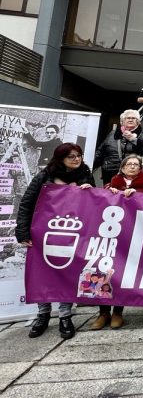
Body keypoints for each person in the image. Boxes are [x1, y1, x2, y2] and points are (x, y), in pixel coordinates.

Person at [16, 143, 94, 339]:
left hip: (71, 231)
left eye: (79, 155)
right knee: (41, 273)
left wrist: (90, 190)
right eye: (71, 156)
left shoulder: (85, 174)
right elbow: (27, 203)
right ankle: (43, 315)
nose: (76, 159)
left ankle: (65, 316)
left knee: (67, 273)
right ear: (61, 158)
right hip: (44, 232)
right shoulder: (45, 176)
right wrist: (23, 232)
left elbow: (93, 203)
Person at [96, 154, 143, 330]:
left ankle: (118, 312)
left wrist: (138, 197)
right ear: (122, 168)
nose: (132, 166)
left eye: (136, 164)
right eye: (129, 164)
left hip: (132, 235)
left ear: (140, 168)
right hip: (111, 235)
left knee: (122, 273)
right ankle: (103, 312)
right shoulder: (111, 184)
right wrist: (110, 193)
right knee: (104, 270)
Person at [94, 109, 143, 183]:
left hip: (133, 175)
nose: (130, 120)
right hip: (110, 174)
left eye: (133, 118)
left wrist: (134, 140)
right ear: (122, 121)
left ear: (138, 122)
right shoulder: (112, 134)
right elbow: (100, 152)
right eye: (128, 118)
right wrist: (90, 167)